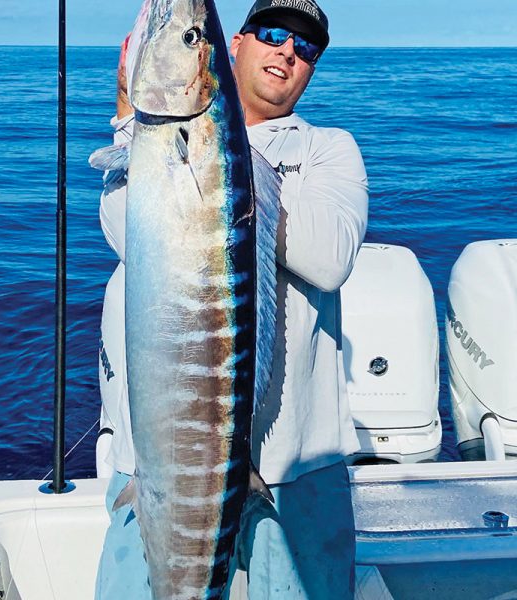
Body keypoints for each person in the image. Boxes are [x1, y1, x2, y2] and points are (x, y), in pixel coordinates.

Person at [95, 0, 369, 598]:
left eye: (306, 49)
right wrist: (133, 129)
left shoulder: (327, 149)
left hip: (297, 467)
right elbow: (124, 233)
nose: (288, 53)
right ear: (233, 46)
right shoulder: (157, 141)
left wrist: (231, 178)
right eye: (273, 34)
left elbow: (332, 257)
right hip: (158, 462)